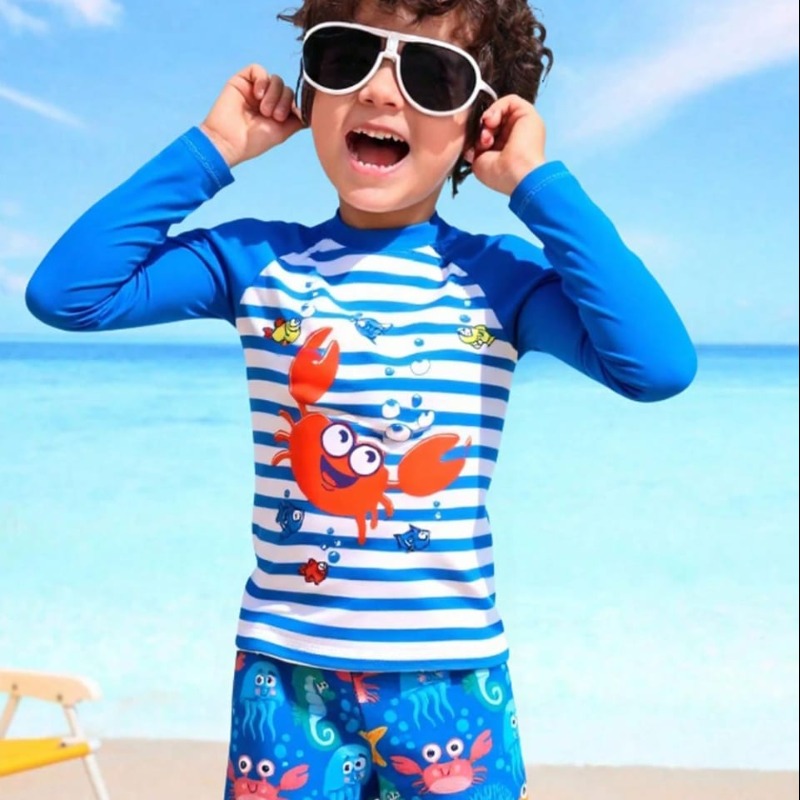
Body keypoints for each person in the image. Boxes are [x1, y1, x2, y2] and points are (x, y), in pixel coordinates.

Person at [25, 0, 697, 797]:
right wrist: (213, 149)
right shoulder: (257, 261)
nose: (380, 91)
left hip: (449, 675)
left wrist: (538, 186)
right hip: (285, 671)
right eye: (347, 58)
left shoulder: (501, 281)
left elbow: (657, 366)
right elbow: (68, 294)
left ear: (480, 124)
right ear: (311, 90)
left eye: (431, 74)